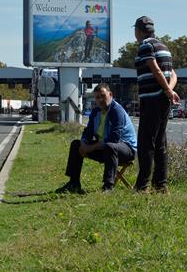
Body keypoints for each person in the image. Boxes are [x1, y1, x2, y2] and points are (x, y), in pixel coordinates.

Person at [56, 83, 137, 193]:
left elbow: (114, 138)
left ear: (110, 94)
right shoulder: (95, 111)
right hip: (104, 147)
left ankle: (108, 187)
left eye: (103, 96)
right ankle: (73, 183)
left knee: (110, 146)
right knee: (76, 144)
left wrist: (92, 148)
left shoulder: (116, 111)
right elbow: (88, 131)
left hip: (125, 148)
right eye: (97, 97)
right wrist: (84, 144)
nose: (100, 100)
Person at [133, 16, 179, 194]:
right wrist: (169, 91)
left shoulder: (146, 46)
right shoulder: (164, 47)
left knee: (145, 142)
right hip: (163, 99)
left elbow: (155, 69)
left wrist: (167, 91)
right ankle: (161, 185)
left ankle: (142, 186)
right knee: (160, 142)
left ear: (138, 31)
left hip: (151, 99)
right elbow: (173, 74)